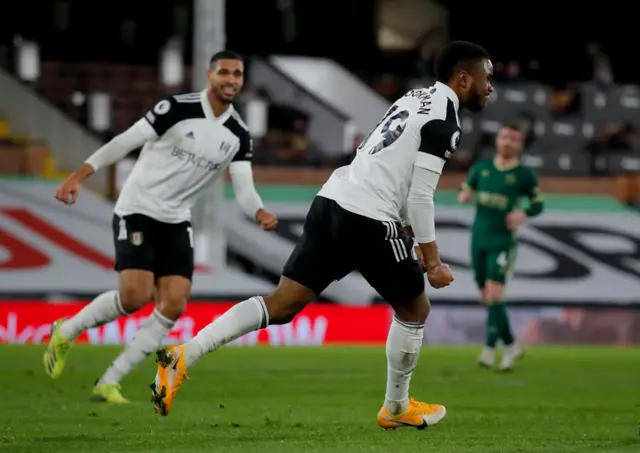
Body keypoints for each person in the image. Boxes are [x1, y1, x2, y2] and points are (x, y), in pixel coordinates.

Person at [149, 41, 494, 428]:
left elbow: (396, 173)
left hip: (332, 200)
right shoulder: (445, 122)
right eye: (487, 77)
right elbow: (419, 195)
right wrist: (432, 262)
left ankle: (185, 355)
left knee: (282, 304)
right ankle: (396, 407)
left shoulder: (413, 98)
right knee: (415, 308)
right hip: (369, 215)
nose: (491, 87)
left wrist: (412, 237)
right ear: (463, 79)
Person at [43, 50, 278, 402]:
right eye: (225, 72)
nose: (232, 80)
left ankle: (110, 380)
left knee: (174, 304)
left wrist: (258, 212)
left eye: (238, 74)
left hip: (175, 219)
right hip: (137, 208)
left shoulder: (239, 134)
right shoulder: (177, 108)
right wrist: (79, 176)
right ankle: (68, 329)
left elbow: (244, 188)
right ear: (209, 75)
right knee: (135, 296)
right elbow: (125, 141)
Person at [458, 124, 544, 371]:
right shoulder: (482, 168)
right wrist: (463, 193)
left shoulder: (524, 175)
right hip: (479, 240)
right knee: (487, 298)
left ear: (520, 145)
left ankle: (489, 349)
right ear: (498, 139)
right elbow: (466, 188)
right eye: (505, 136)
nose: (508, 142)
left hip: (503, 242)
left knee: (495, 294)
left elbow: (538, 204)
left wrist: (523, 213)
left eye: (514, 138)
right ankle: (511, 346)